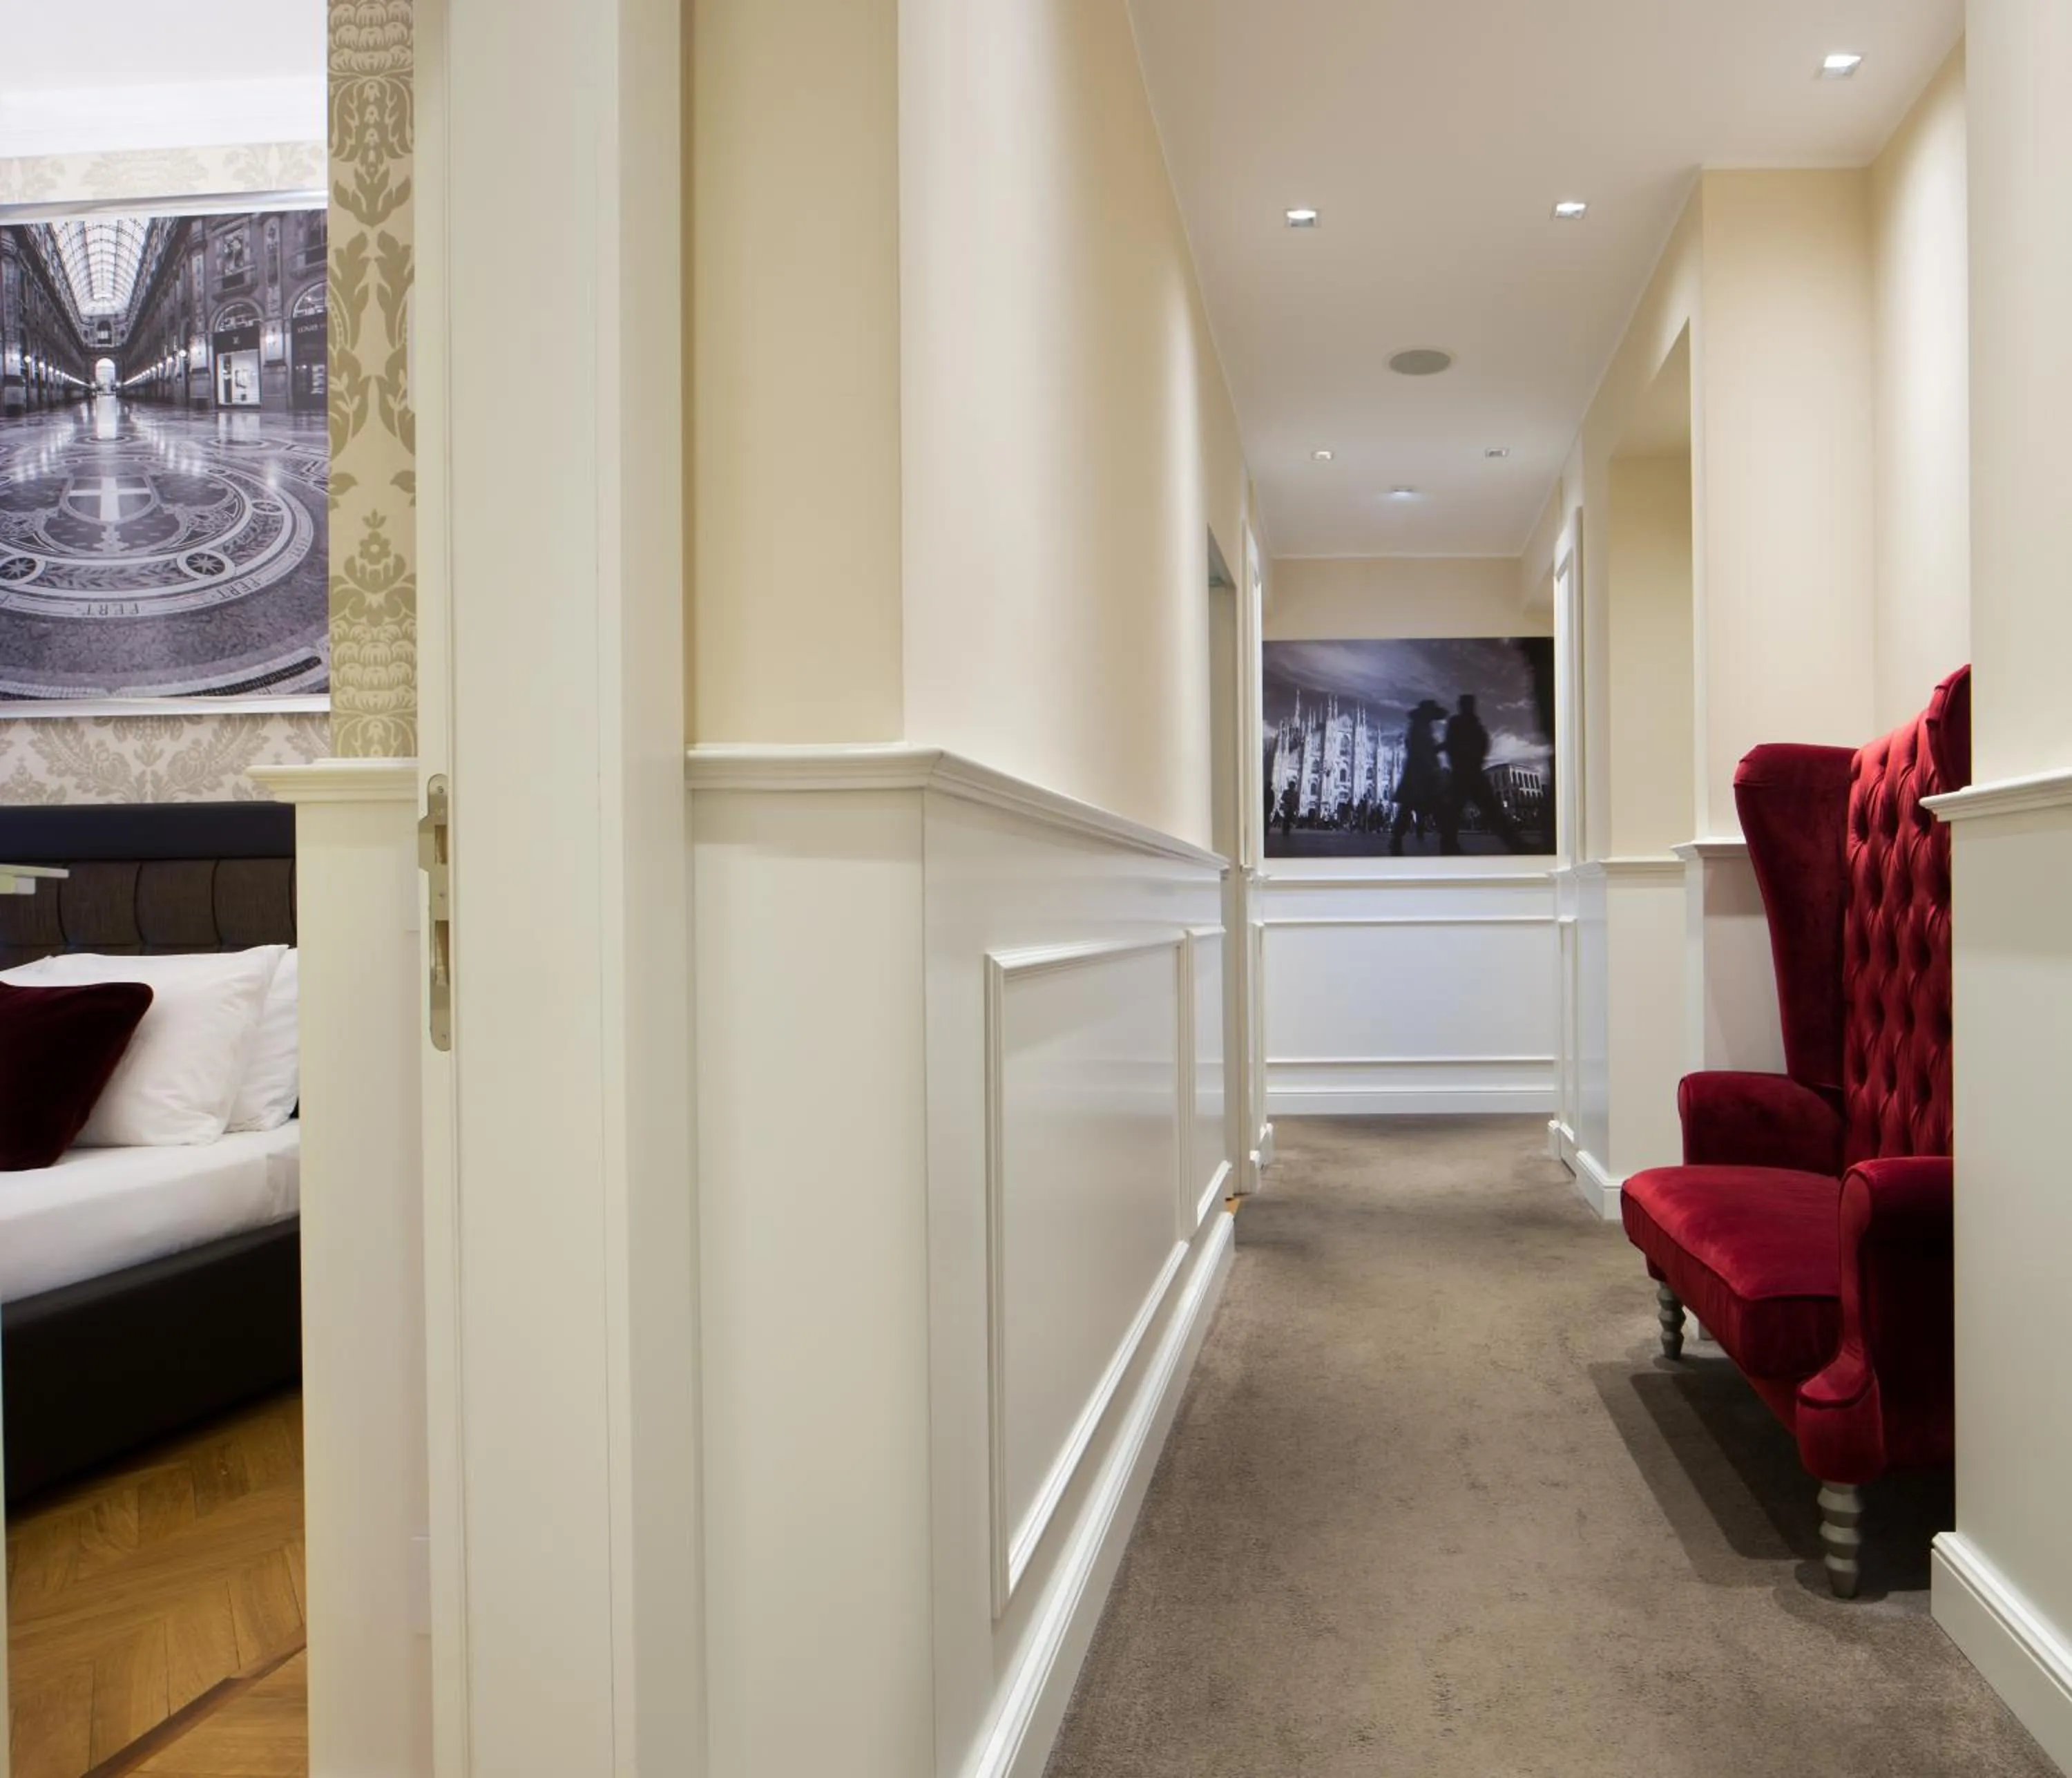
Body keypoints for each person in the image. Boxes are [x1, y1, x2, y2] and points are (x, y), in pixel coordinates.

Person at [1438, 694, 1527, 854]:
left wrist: (1472, 758)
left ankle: (1515, 843)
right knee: (1464, 809)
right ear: (1464, 705)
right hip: (1464, 772)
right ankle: (1515, 844)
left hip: (1470, 772)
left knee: (1485, 809)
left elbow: (1480, 743)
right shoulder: (1460, 723)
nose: (1469, 707)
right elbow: (1453, 743)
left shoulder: (1471, 724)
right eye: (1467, 704)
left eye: (1470, 704)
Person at [1388, 699, 1448, 855]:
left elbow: (1426, 748)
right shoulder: (1418, 728)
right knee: (1427, 805)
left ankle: (1397, 840)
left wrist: (1440, 747)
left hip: (1420, 773)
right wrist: (1434, 758)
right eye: (1431, 714)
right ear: (1426, 714)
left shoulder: (1424, 728)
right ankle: (1448, 840)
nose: (1432, 718)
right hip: (1419, 773)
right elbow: (1419, 749)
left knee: (1412, 806)